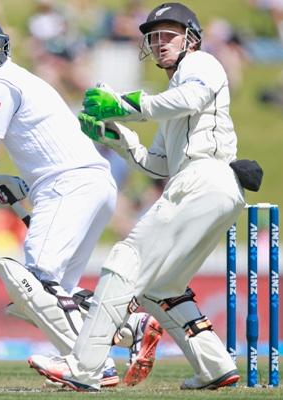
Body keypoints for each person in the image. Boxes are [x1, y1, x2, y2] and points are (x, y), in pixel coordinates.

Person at [0, 14, 162, 388]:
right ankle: (130, 325)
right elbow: (49, 147)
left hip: (68, 186)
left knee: (33, 283)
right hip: (87, 182)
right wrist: (23, 188)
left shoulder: (1, 85)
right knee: (48, 296)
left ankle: (92, 367)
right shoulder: (25, 81)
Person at [29, 2, 262, 391]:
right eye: (153, 37)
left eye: (168, 34)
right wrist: (118, 139)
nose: (159, 42)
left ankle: (84, 366)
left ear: (192, 38)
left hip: (206, 179)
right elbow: (158, 165)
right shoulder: (173, 89)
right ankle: (214, 367)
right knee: (160, 289)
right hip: (210, 188)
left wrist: (124, 104)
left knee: (126, 260)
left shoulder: (201, 64)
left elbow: (188, 100)